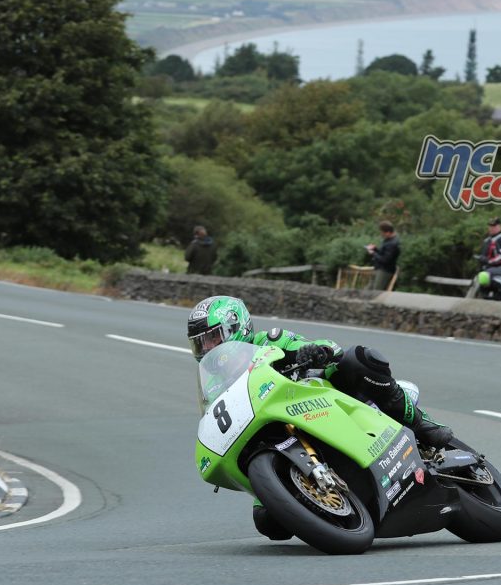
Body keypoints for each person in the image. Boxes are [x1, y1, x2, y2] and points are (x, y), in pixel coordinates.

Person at [187, 295, 454, 540]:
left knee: (357, 359)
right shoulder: (213, 382)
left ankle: (421, 423)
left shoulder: (268, 340)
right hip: (276, 430)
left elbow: (322, 347)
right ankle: (320, 495)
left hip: (317, 400)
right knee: (268, 522)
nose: (207, 347)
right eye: (200, 342)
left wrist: (316, 352)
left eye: (213, 338)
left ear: (237, 328)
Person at [365, 220, 400, 291]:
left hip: (384, 271)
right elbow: (383, 253)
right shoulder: (387, 240)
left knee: (376, 291)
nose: (381, 234)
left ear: (388, 232)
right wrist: (375, 249)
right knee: (367, 290)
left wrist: (373, 253)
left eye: (382, 233)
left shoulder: (393, 244)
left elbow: (385, 260)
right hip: (378, 268)